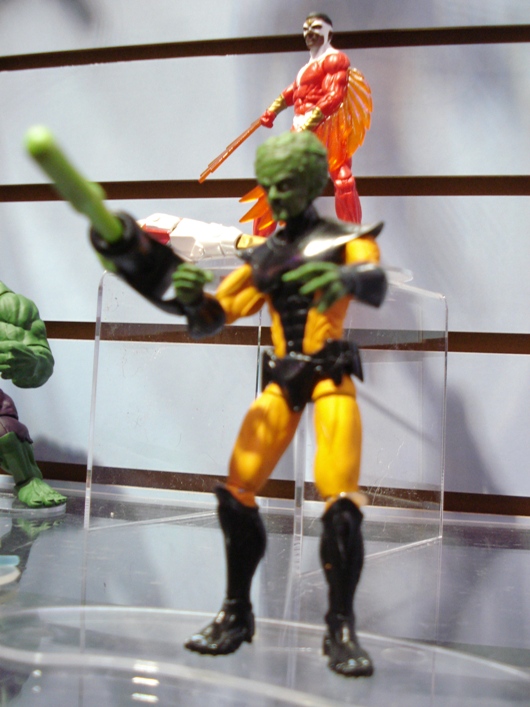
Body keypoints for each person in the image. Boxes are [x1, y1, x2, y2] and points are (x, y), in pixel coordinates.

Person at [175, 131, 387, 677]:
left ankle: (340, 626)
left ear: (314, 182)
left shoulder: (346, 239)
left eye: (287, 184)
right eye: (269, 185)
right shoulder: (265, 255)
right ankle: (236, 613)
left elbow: (374, 281)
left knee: (340, 499)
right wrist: (191, 299)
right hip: (285, 376)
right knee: (236, 488)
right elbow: (216, 315)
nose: (276, 194)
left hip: (330, 372)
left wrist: (341, 276)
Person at [245, 12, 372, 234]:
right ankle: (259, 240)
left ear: (329, 33)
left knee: (343, 180)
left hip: (327, 128)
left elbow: (334, 96)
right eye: (306, 30)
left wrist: (309, 122)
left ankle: (353, 236)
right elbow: (294, 91)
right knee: (276, 178)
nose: (309, 34)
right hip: (301, 128)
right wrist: (272, 111)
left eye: (316, 29)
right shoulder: (307, 67)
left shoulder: (335, 60)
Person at [0, 282, 66, 508]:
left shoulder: (11, 307)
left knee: (6, 430)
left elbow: (41, 360)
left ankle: (28, 480)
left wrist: (30, 362)